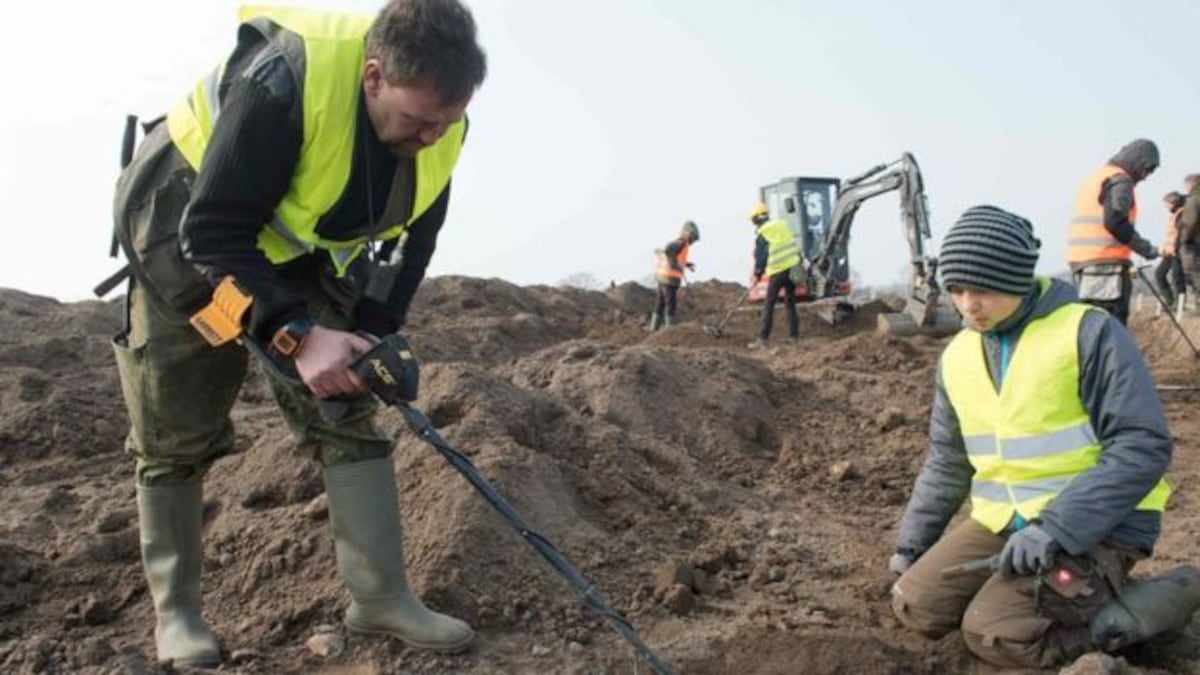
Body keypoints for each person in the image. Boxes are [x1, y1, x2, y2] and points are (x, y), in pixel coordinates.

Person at [107, 1, 486, 666]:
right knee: (175, 428)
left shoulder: (441, 126)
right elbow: (213, 230)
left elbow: (415, 242)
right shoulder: (282, 81)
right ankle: (178, 616)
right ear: (373, 77)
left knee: (348, 406)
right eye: (418, 120)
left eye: (445, 123)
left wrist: (367, 334)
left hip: (293, 251)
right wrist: (298, 335)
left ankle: (379, 597)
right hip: (187, 228)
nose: (430, 137)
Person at [888, 204, 1200, 670]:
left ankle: (1159, 601)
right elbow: (947, 461)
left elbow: (1142, 444)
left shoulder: (1088, 333)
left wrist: (1056, 527)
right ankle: (1063, 596)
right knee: (917, 604)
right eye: (956, 289)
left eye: (983, 289)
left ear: (1016, 279)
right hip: (1007, 522)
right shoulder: (957, 356)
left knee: (996, 634)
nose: (968, 304)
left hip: (1101, 523)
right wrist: (911, 545)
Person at [1066, 138, 1160, 325]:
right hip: (1105, 266)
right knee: (1110, 329)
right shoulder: (1120, 180)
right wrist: (1148, 250)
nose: (1145, 177)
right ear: (1139, 162)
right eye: (1147, 170)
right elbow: (1116, 222)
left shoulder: (1098, 177)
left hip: (1084, 263)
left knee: (1090, 327)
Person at [747, 202, 800, 349]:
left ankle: (762, 339)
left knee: (769, 304)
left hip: (777, 270)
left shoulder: (763, 232)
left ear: (756, 219)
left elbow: (761, 256)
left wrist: (758, 273)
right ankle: (793, 337)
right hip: (792, 268)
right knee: (790, 303)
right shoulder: (782, 225)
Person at [647, 220, 699, 331]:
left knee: (660, 302)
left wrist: (686, 265)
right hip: (669, 279)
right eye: (693, 238)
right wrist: (674, 265)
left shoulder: (680, 244)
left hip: (662, 277)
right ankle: (669, 328)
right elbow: (669, 250)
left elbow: (675, 257)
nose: (693, 241)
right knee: (670, 302)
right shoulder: (681, 243)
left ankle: (653, 327)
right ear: (688, 234)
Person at [1152, 191, 1187, 312]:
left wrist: (1176, 249)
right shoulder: (1174, 215)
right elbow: (1170, 235)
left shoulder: (1181, 214)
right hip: (1168, 252)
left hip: (1176, 251)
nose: (1166, 207)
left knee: (1178, 277)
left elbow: (1180, 234)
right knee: (1159, 274)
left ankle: (1180, 303)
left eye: (1167, 204)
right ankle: (1170, 301)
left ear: (1173, 202)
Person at [1176, 174, 1200, 315]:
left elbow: (1189, 223)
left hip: (1194, 242)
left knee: (1194, 273)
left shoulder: (1193, 200)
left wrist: (1184, 239)